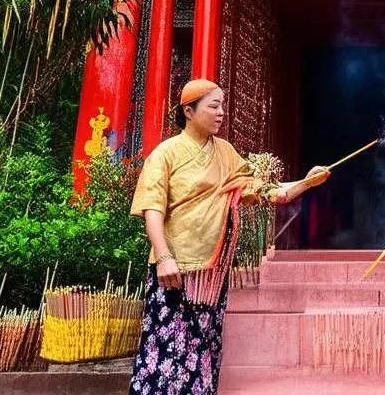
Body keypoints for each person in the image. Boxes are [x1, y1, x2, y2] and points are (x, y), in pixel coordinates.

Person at [128, 79, 329, 395]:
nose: (222, 112)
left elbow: (260, 191)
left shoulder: (226, 152)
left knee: (204, 344)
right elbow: (152, 207)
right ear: (189, 110)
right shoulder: (165, 154)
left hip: (213, 271)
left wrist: (305, 183)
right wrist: (164, 256)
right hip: (175, 268)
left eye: (222, 105)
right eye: (214, 105)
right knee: (166, 346)